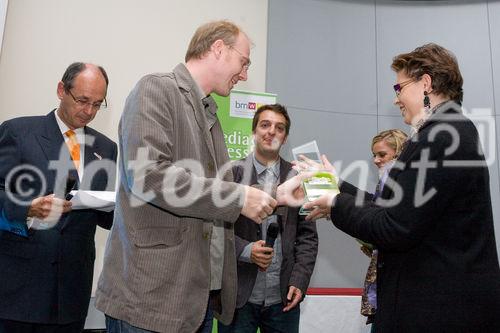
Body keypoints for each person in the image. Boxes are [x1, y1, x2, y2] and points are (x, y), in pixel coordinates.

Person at [95, 21, 279, 333]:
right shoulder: (156, 88)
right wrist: (239, 198)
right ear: (219, 48)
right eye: (243, 62)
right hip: (150, 301)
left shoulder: (210, 113)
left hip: (197, 302)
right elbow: (149, 176)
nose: (244, 75)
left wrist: (278, 194)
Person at [302, 43, 500, 332]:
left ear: (426, 83)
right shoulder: (448, 131)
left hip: (439, 313)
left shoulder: (442, 137)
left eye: (399, 88)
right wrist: (338, 187)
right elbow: (395, 209)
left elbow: (394, 227)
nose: (396, 99)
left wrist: (335, 202)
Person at [0, 62, 117, 333]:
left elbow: (106, 217)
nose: (89, 111)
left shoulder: (106, 148)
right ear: (61, 90)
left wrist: (125, 201)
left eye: (98, 104)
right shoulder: (18, 133)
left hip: (71, 295)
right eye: (83, 100)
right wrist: (27, 208)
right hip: (18, 291)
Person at [218, 104, 318, 333]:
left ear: (285, 138)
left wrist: (299, 281)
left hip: (283, 298)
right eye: (265, 125)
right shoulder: (230, 175)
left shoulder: (298, 179)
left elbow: (308, 237)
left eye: (279, 128)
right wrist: (246, 250)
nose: (271, 131)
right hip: (239, 297)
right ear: (254, 132)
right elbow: (217, 230)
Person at [361, 129, 407, 328]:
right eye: (374, 155)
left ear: (399, 154)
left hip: (402, 287)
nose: (376, 160)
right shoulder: (384, 185)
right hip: (385, 280)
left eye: (382, 155)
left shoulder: (404, 187)